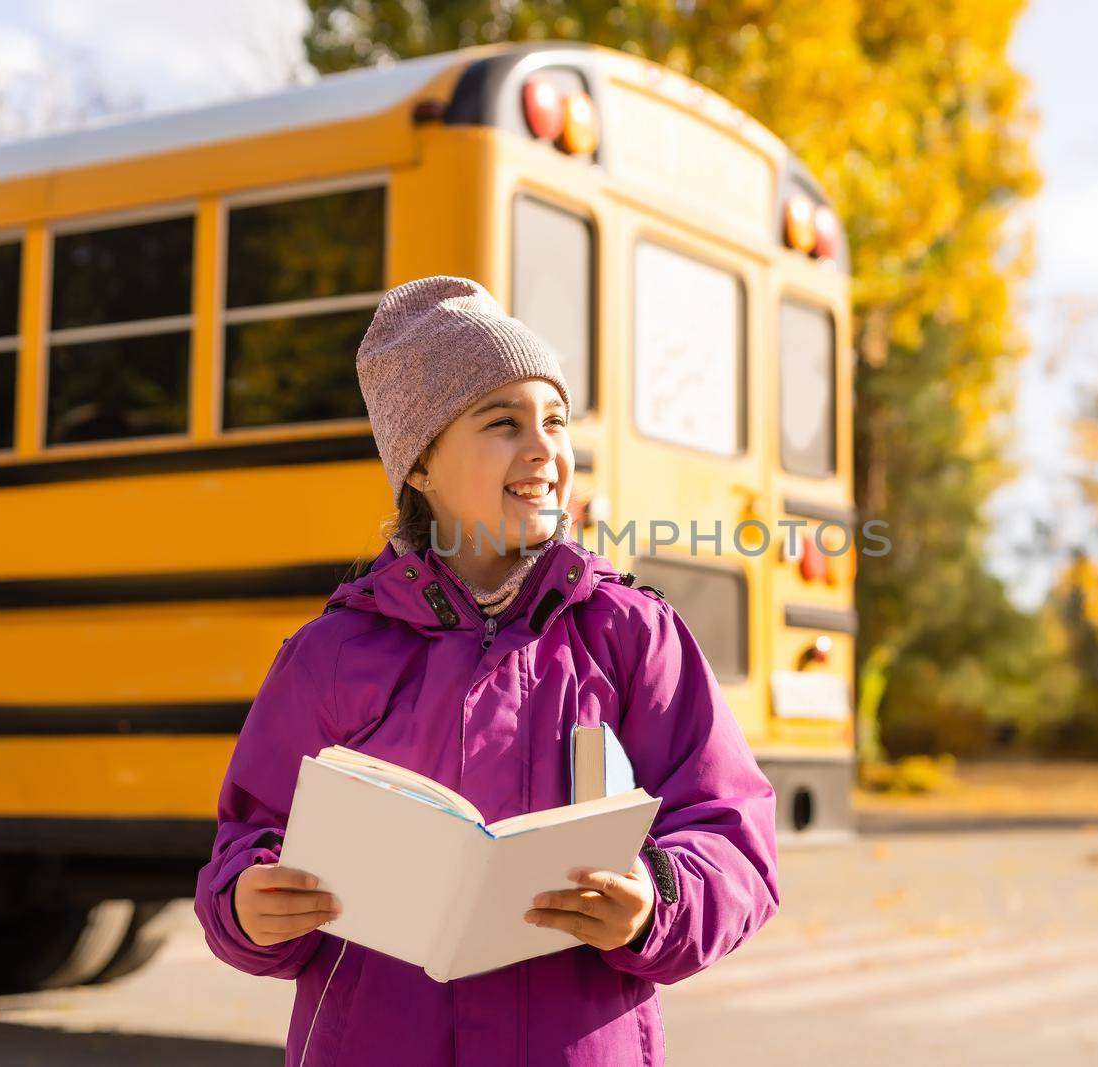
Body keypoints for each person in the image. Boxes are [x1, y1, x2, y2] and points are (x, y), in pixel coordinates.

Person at [192, 275, 781, 1066]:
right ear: (422, 464)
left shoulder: (633, 636)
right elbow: (249, 837)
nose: (544, 449)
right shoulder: (330, 655)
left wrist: (657, 901)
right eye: (503, 423)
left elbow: (731, 834)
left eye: (556, 421)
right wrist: (247, 904)